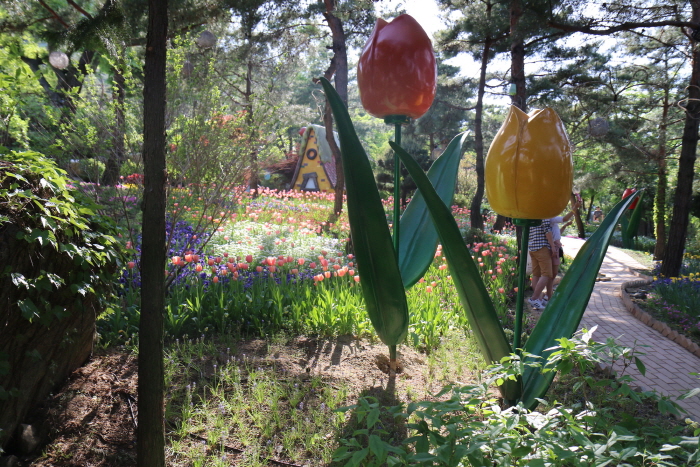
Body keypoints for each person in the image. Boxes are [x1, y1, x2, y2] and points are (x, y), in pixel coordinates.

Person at [544, 200, 581, 301]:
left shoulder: (552, 221)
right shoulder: (550, 218)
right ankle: (548, 295)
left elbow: (557, 233)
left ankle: (548, 294)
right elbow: (564, 218)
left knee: (553, 274)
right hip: (554, 248)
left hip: (557, 247)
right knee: (551, 274)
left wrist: (565, 226)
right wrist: (574, 209)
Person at [527, 218, 556, 310]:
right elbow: (547, 230)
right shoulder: (545, 214)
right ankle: (534, 298)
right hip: (542, 247)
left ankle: (538, 300)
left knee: (536, 274)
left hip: (532, 247)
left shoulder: (534, 213)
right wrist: (552, 246)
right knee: (547, 274)